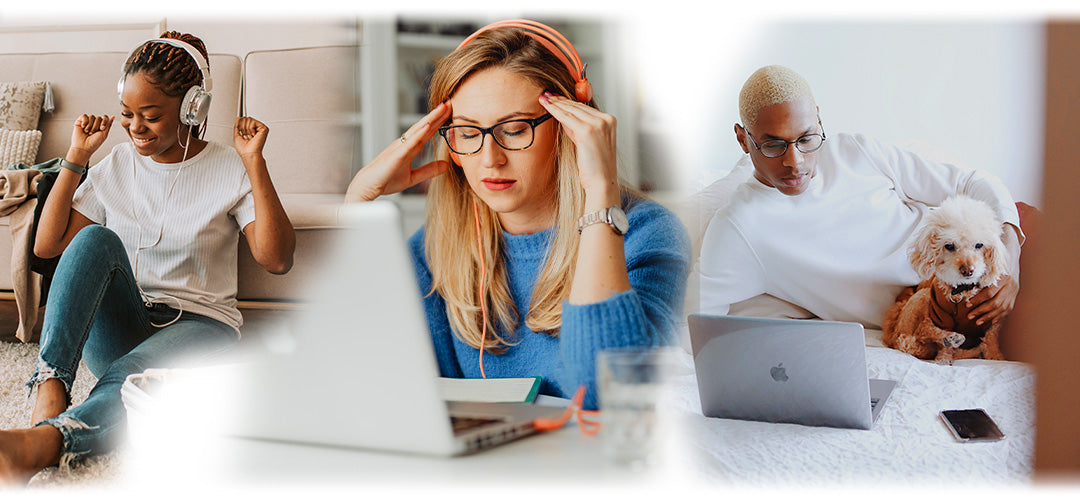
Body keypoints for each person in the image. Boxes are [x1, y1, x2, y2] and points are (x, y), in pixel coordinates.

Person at [345, 20, 690, 410]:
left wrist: (600, 195)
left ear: (570, 128)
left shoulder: (646, 233)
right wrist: (358, 201)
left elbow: (608, 396)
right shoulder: (433, 248)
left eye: (514, 129)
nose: (490, 159)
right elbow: (368, 376)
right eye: (468, 132)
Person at [0, 32, 294, 485]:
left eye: (151, 116)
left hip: (199, 328)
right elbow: (47, 245)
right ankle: (50, 386)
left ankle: (41, 444)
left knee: (129, 378)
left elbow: (275, 259)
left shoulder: (229, 167)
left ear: (193, 108)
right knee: (94, 239)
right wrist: (77, 156)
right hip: (127, 321)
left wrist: (256, 163)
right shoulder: (117, 163)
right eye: (127, 115)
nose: (136, 127)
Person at [697, 65, 1023, 335]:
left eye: (807, 138)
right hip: (932, 320)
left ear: (819, 121)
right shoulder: (739, 227)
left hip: (994, 261)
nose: (794, 161)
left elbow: (973, 182)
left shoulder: (855, 152)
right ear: (743, 139)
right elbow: (691, 330)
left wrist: (1011, 262)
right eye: (773, 145)